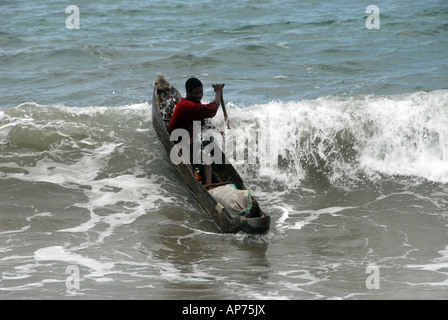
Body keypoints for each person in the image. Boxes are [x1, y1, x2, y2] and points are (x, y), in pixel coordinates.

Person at [168, 78, 224, 185]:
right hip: (177, 141)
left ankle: (208, 186)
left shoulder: (195, 103)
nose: (199, 96)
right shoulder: (187, 106)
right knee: (187, 162)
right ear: (188, 93)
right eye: (196, 93)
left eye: (201, 92)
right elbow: (212, 110)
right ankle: (194, 183)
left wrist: (217, 130)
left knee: (207, 159)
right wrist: (218, 92)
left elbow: (203, 120)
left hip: (189, 139)